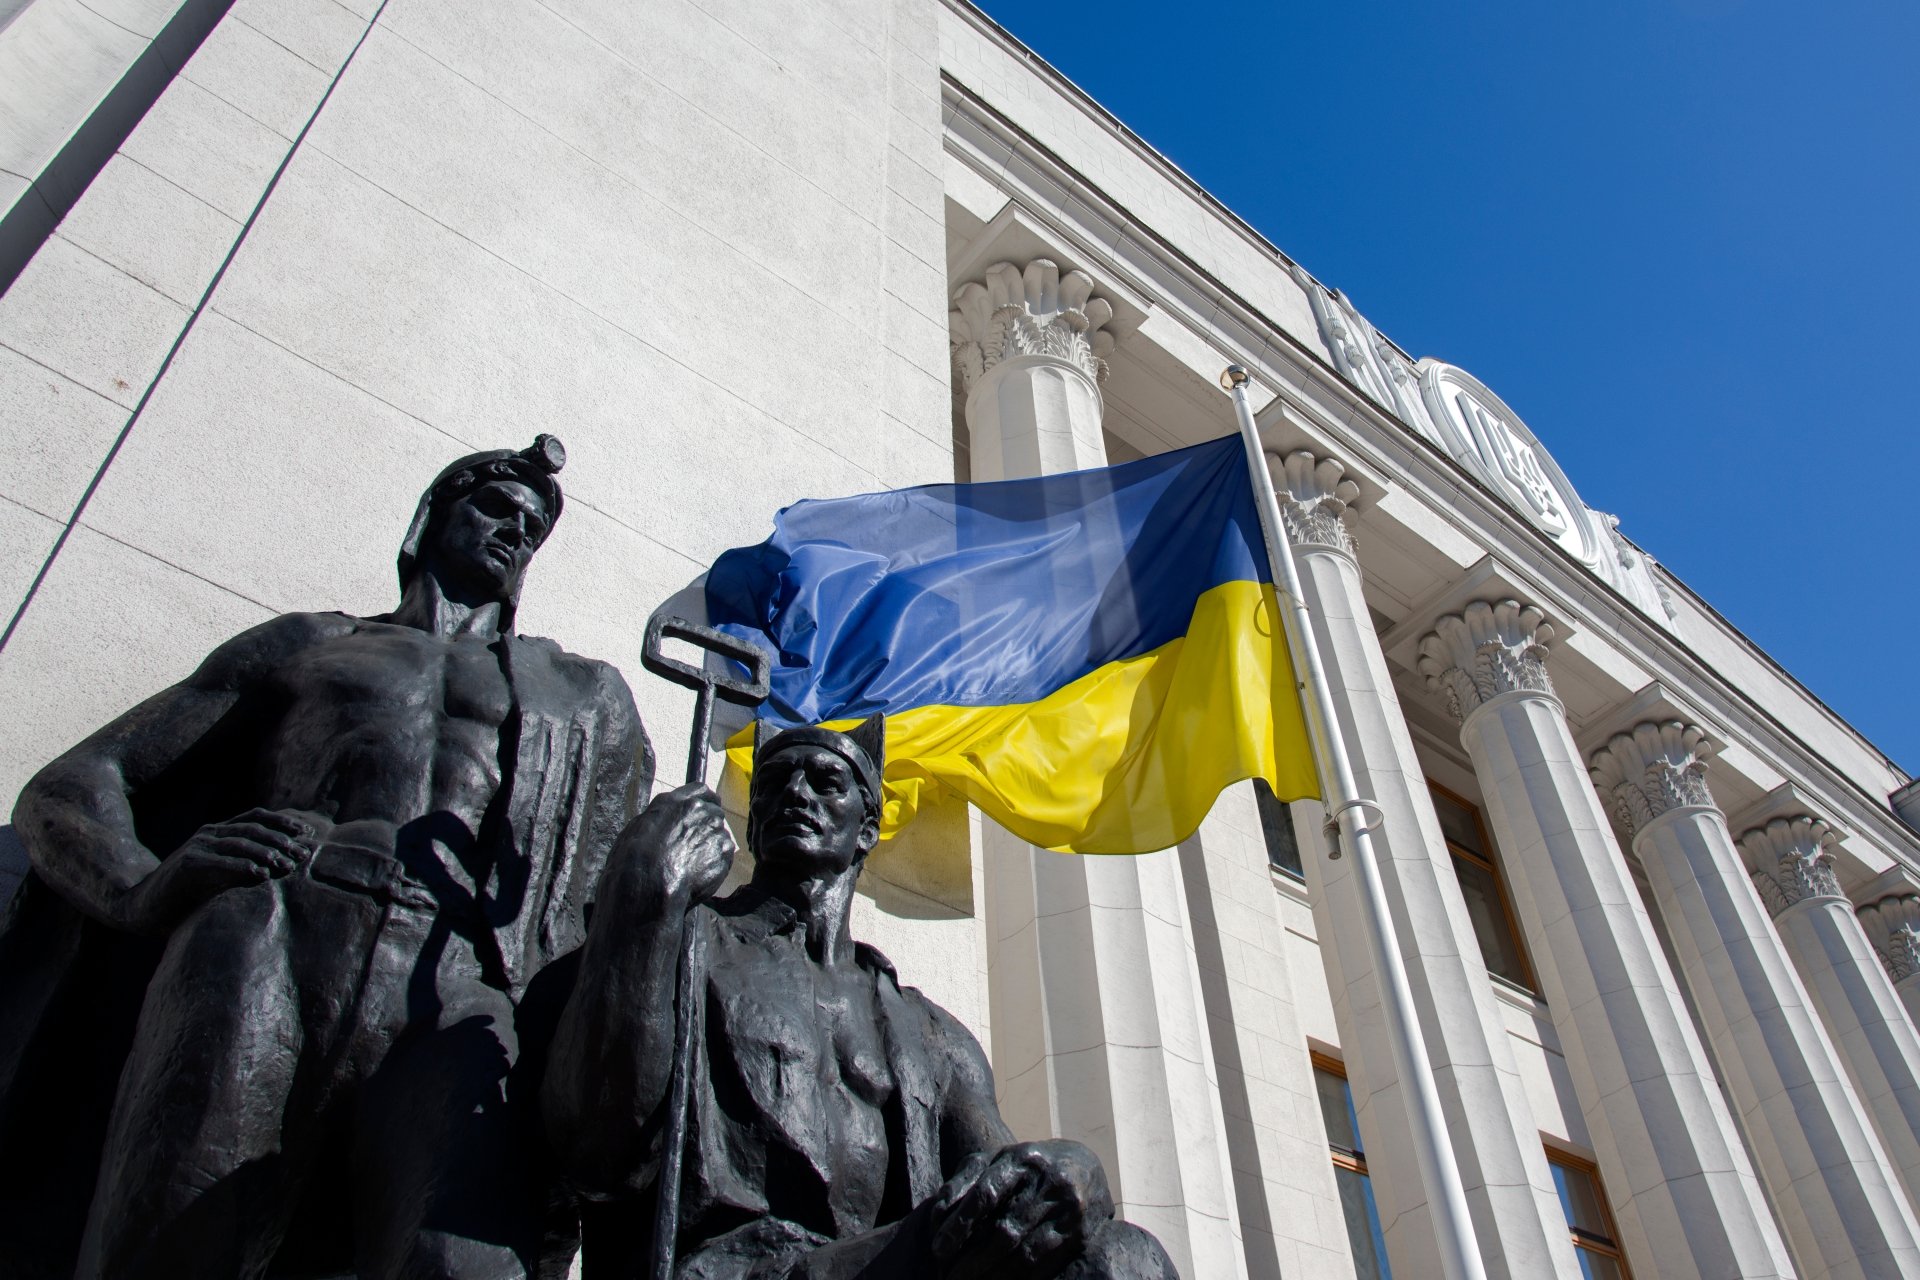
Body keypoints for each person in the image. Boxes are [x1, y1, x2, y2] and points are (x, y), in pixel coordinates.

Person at [0, 436, 651, 1280]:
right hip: (271, 931)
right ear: (433, 516)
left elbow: (597, 904)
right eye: (496, 506)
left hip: (454, 979)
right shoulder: (313, 643)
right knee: (180, 1232)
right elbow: (77, 782)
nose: (516, 530)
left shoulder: (582, 694)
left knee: (466, 1256)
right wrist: (141, 888)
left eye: (533, 528)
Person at [543, 717, 1176, 1279]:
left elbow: (1004, 1184)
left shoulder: (929, 1033)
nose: (796, 793)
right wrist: (641, 900)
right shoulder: (688, 944)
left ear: (869, 826)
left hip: (878, 1261)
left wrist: (1075, 1172)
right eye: (775, 782)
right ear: (754, 819)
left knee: (1123, 1257)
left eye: (825, 782)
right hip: (733, 1267)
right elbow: (600, 1157)